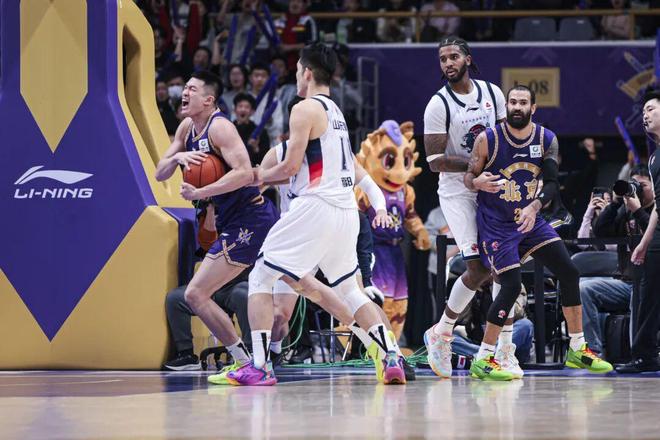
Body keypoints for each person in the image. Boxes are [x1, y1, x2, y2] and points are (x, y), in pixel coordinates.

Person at [228, 43, 406, 386]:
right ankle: (390, 355)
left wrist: (258, 175)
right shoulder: (336, 112)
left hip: (316, 206)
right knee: (350, 290)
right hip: (346, 212)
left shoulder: (304, 108)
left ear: (307, 72)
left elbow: (289, 168)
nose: (296, 76)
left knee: (260, 276)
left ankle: (260, 366)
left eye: (297, 70)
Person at [465, 85, 612, 380]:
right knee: (511, 286)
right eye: (513, 102)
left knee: (569, 272)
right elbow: (469, 177)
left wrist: (534, 207)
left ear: (533, 108)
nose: (517, 107)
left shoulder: (546, 139)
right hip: (497, 225)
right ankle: (483, 358)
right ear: (506, 106)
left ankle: (577, 348)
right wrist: (476, 182)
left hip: (530, 219)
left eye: (523, 103)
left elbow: (553, 184)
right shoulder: (487, 139)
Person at [154, 70, 278, 381]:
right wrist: (179, 157)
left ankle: (253, 363)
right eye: (184, 87)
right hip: (230, 220)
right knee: (196, 294)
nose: (184, 92)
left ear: (208, 99)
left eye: (191, 89)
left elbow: (245, 173)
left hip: (251, 217)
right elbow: (159, 172)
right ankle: (252, 363)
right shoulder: (186, 128)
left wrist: (201, 192)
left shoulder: (220, 128)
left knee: (196, 293)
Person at [422, 37, 507, 379]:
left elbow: (505, 138)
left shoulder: (492, 93)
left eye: (454, 56)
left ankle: (500, 351)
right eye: (443, 58)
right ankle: (442, 331)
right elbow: (434, 161)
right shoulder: (438, 104)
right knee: (478, 268)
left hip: (491, 186)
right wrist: (475, 166)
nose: (448, 63)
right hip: (457, 192)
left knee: (503, 266)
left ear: (467, 59)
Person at [582, 164, 655, 356]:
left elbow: (655, 234)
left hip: (652, 285)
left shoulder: (655, 210)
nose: (638, 190)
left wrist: (638, 211)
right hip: (626, 282)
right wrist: (615, 203)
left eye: (643, 185)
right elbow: (601, 232)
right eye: (634, 185)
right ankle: (594, 353)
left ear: (655, 186)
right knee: (584, 289)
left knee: (637, 296)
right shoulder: (625, 210)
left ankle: (638, 356)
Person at [617, 89, 660, 373]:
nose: (645, 115)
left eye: (651, 109)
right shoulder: (654, 159)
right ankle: (645, 355)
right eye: (643, 111)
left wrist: (645, 242)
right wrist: (645, 242)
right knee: (649, 297)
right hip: (658, 238)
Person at [232, 92, 270, 166]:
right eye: (240, 106)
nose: (243, 109)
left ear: (252, 111)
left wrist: (256, 149)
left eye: (247, 107)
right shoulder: (227, 130)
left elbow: (266, 160)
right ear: (235, 110)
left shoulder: (261, 132)